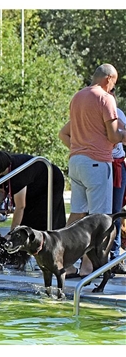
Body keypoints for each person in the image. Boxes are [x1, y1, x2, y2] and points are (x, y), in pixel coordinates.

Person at [58, 63, 125, 276]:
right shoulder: (106, 98)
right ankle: (88, 268)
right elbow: (114, 137)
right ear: (108, 79)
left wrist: (82, 149)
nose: (113, 87)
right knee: (99, 219)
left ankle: (63, 262)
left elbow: (66, 132)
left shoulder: (78, 97)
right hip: (97, 164)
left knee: (77, 214)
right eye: (114, 82)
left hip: (76, 162)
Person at [0, 150, 67, 231]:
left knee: (43, 218)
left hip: (51, 180)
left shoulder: (18, 173)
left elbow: (20, 206)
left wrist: (12, 233)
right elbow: (1, 192)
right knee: (27, 219)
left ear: (1, 165)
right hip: (33, 183)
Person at [110, 88, 126, 274]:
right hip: (102, 163)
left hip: (118, 165)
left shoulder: (118, 113)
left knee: (116, 212)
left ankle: (114, 256)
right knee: (106, 214)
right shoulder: (93, 110)